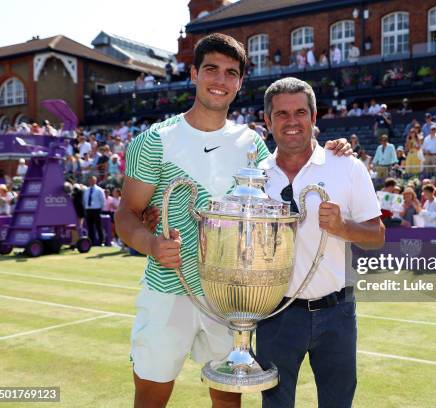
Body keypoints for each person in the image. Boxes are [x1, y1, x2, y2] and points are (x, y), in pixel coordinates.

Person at [117, 34, 352, 408]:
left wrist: (336, 148)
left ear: (240, 82)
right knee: (151, 396)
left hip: (231, 299)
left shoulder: (253, 145)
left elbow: (298, 160)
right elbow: (126, 216)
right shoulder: (155, 141)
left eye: (231, 73)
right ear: (193, 73)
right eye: (211, 69)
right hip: (168, 290)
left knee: (228, 400)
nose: (220, 80)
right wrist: (151, 244)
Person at [256, 77, 385, 408]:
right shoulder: (254, 176)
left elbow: (377, 237)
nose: (292, 121)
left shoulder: (346, 166)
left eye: (300, 112)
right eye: (282, 114)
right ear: (267, 120)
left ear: (314, 118)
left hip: (337, 312)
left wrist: (343, 227)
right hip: (275, 314)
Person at [83, 175, 105, 245]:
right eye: (90, 180)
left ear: (95, 181)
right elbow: (84, 200)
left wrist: (100, 209)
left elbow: (102, 200)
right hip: (88, 210)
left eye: (93, 180)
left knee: (98, 226)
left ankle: (101, 241)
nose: (91, 181)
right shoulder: (86, 190)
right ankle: (91, 242)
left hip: (96, 210)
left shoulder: (99, 190)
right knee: (90, 227)